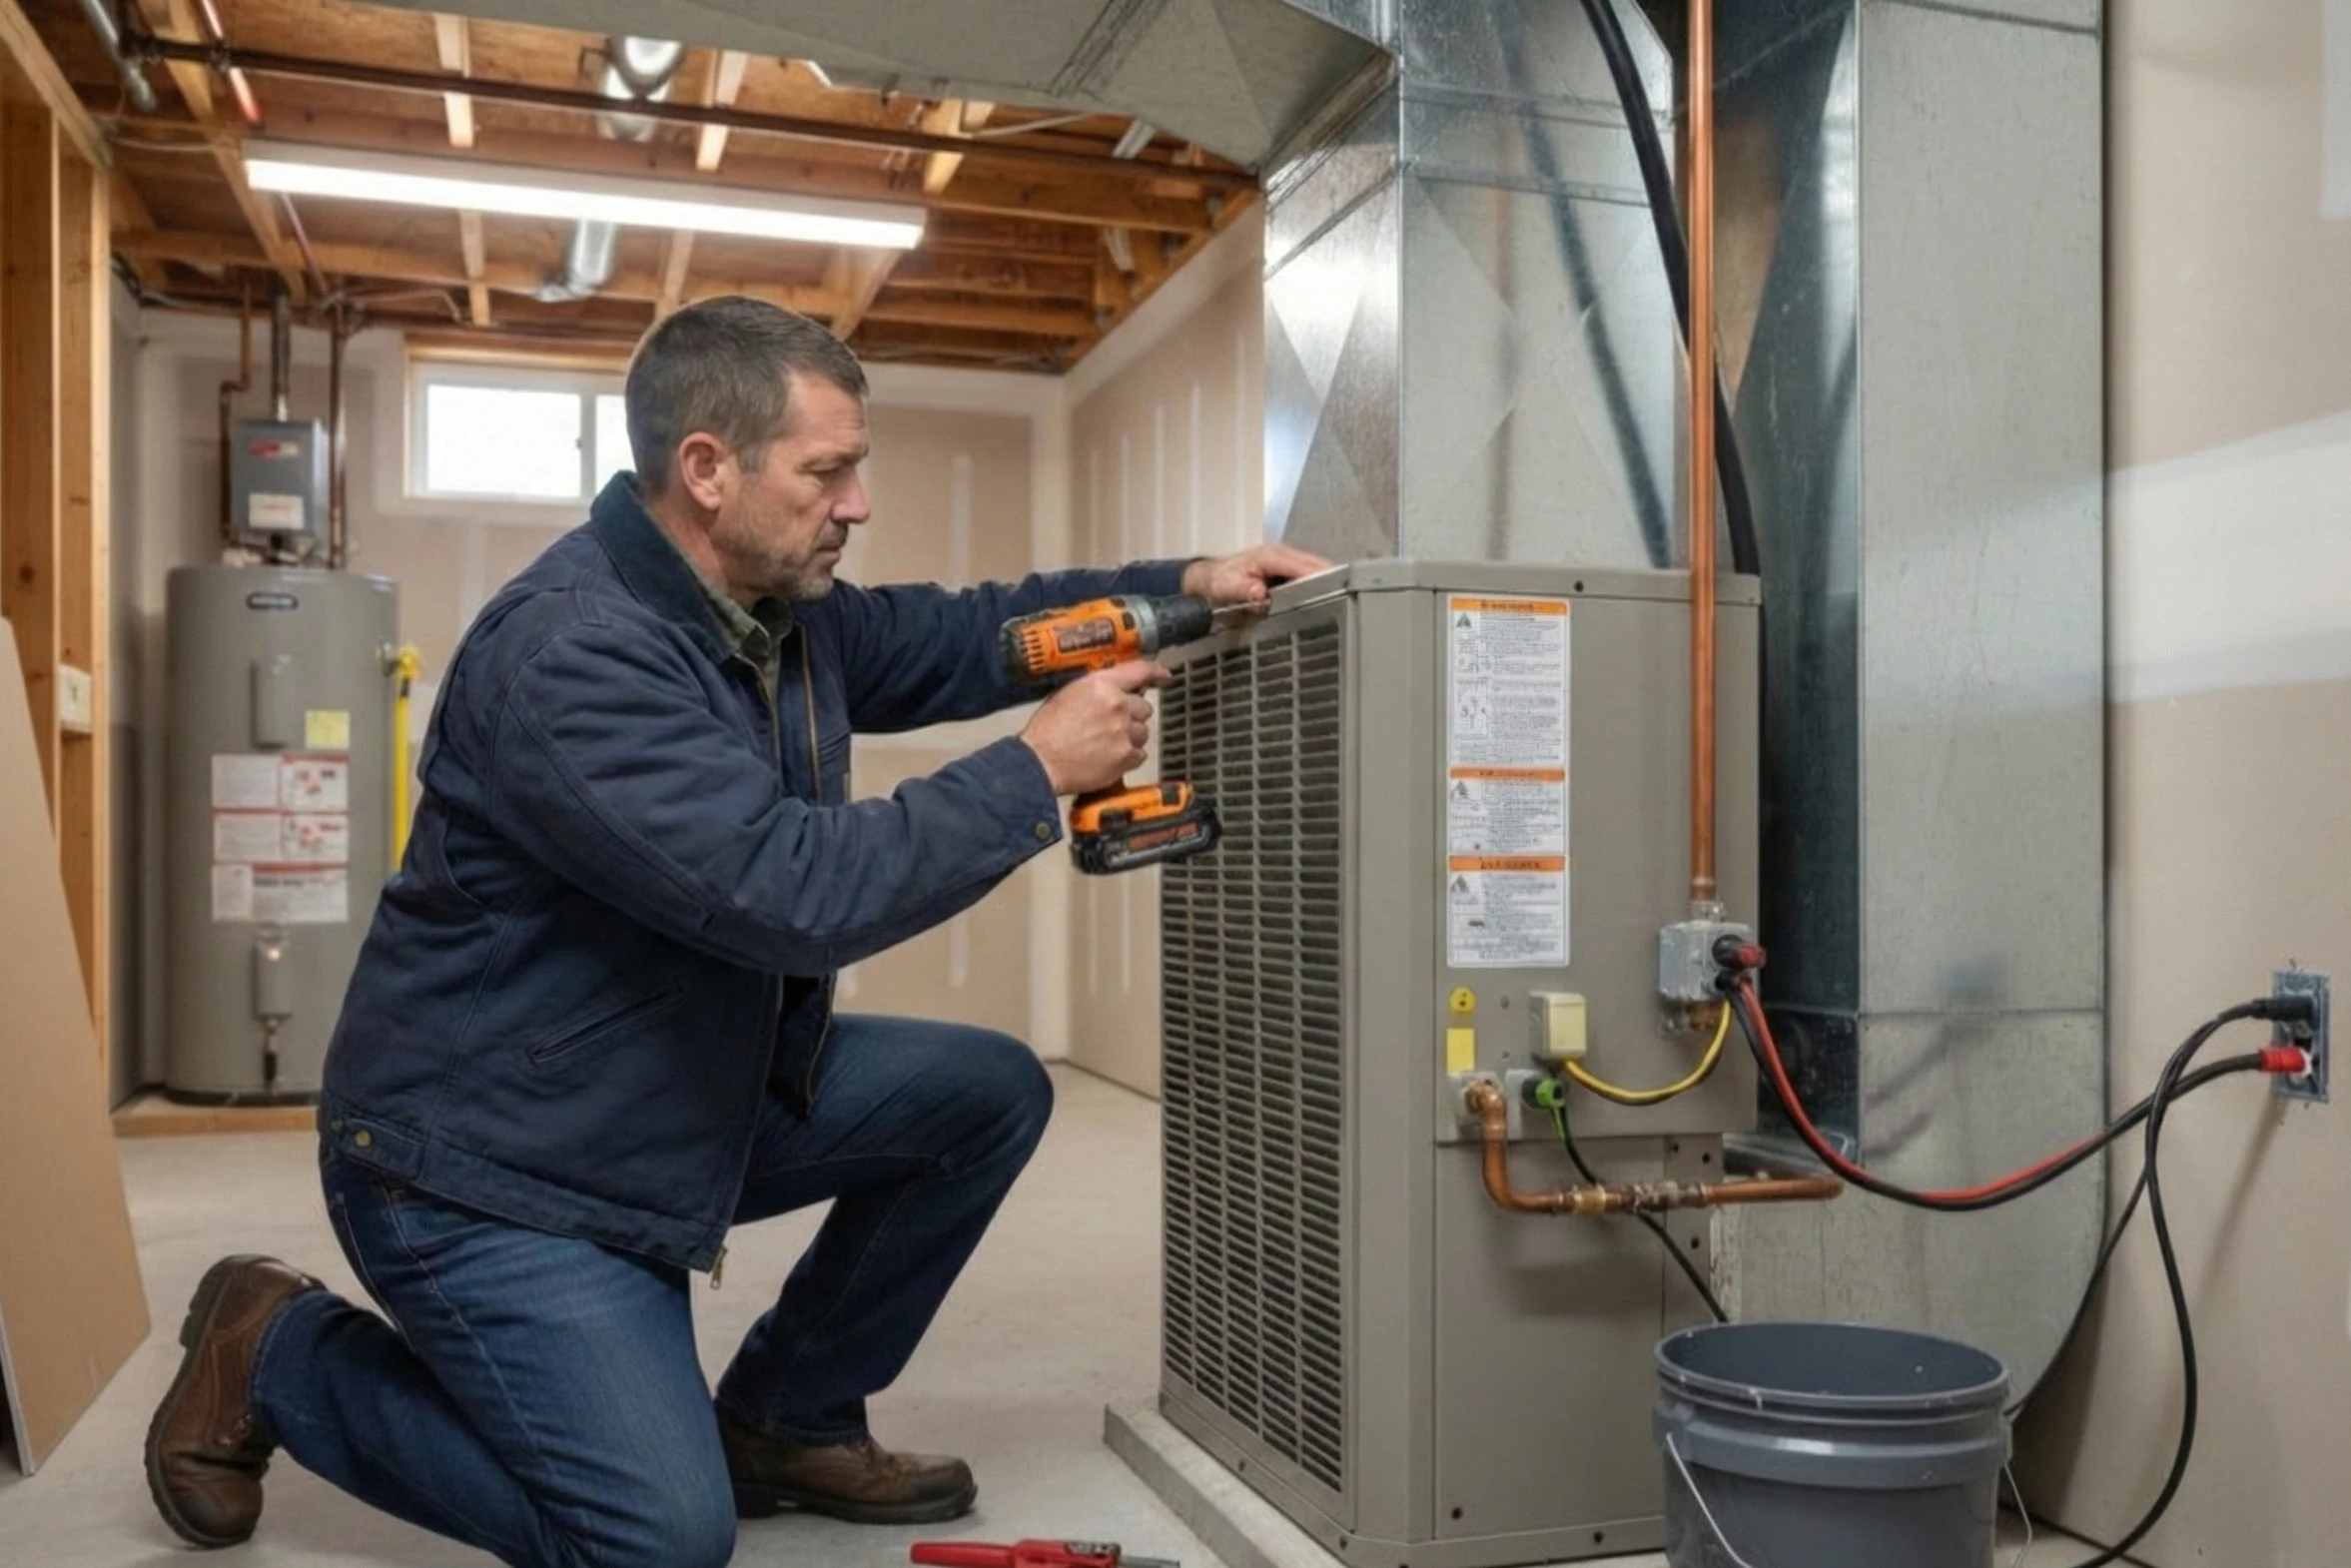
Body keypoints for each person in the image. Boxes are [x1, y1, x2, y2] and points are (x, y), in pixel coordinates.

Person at [143, 296, 1329, 1567]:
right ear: (706, 469)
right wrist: (1034, 770)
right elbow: (787, 890)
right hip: (488, 1166)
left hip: (656, 1092)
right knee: (653, 1540)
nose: (858, 502)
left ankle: (783, 1416)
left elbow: (965, 630)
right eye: (830, 470)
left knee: (981, 1092)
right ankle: (272, 1347)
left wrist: (1185, 586)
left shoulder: (778, 612)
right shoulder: (572, 658)